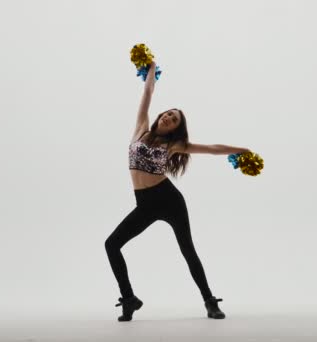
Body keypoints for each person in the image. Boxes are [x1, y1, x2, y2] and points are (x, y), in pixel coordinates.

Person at [105, 61, 250, 322]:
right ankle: (129, 299)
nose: (168, 118)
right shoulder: (140, 128)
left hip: (169, 199)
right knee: (112, 244)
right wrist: (150, 69)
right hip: (145, 204)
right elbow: (147, 94)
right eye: (168, 114)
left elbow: (211, 148)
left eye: (174, 119)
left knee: (187, 249)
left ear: (174, 129)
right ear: (160, 117)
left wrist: (241, 151)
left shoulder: (175, 145)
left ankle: (209, 301)